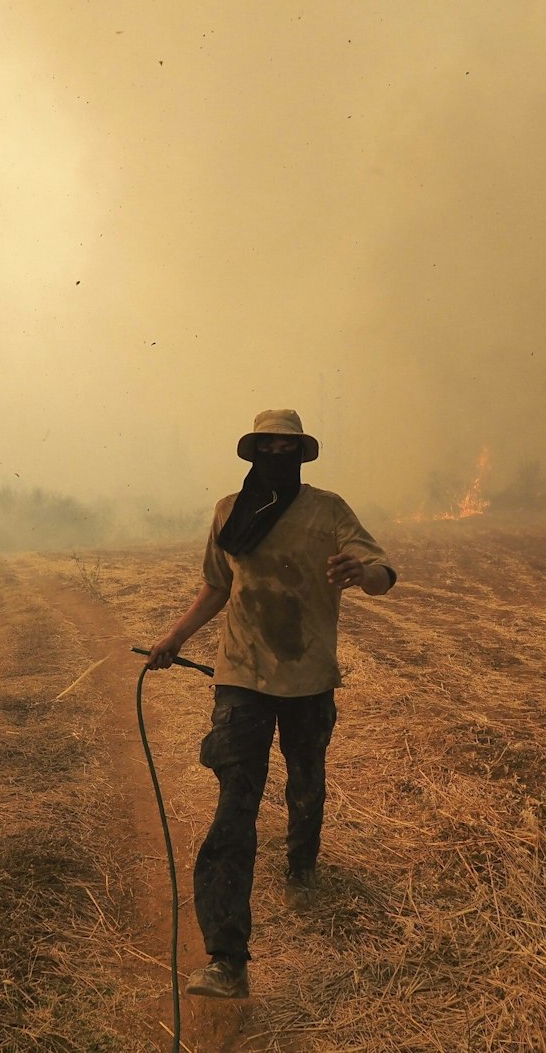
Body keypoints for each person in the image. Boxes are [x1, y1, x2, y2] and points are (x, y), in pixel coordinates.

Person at [145, 408, 397, 1000]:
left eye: (289, 448)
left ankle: (301, 863)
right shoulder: (230, 513)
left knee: (306, 781)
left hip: (309, 676)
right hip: (241, 678)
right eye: (269, 447)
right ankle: (227, 958)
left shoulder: (329, 509)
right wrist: (174, 638)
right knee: (235, 807)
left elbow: (385, 573)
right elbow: (217, 585)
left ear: (302, 455)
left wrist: (362, 573)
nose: (278, 456)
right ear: (253, 452)